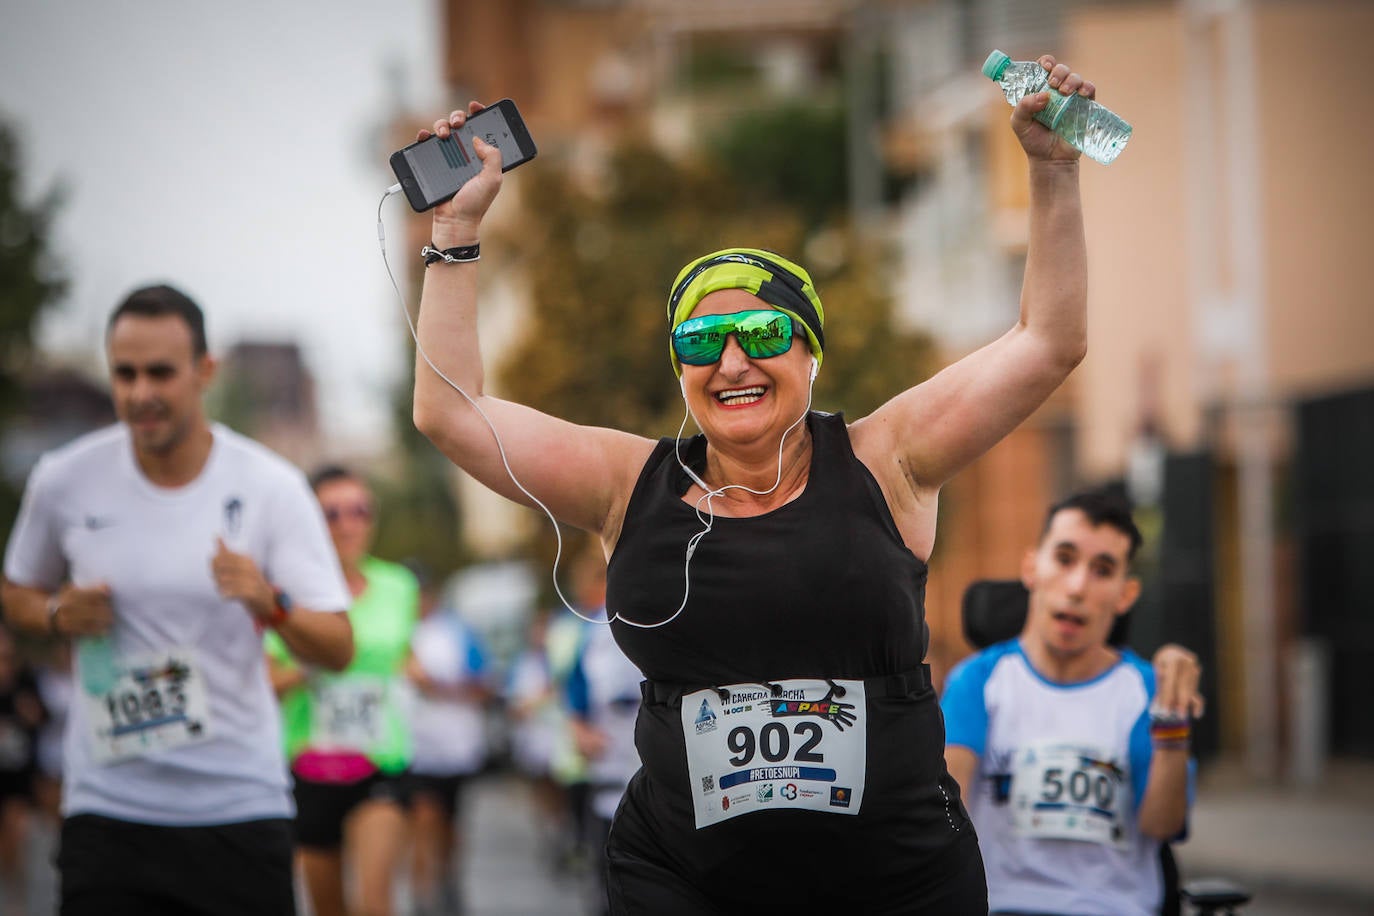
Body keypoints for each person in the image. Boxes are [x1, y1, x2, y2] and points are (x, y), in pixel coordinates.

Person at [411, 52, 1096, 914]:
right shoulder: (627, 484)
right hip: (686, 881)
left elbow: (1047, 344)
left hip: (891, 880)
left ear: (810, 352)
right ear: (680, 370)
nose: (732, 360)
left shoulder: (889, 458)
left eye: (763, 330)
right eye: (701, 343)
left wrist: (1053, 169)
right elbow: (449, 412)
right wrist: (454, 234)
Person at [0, 284, 354, 915]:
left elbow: (337, 646)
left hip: (238, 809)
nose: (141, 394)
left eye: (160, 373)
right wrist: (55, 614)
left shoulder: (270, 486)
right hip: (107, 810)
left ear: (205, 372)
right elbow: (16, 592)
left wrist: (269, 601)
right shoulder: (65, 479)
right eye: (124, 374)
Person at [939, 488, 1204, 916]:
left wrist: (1172, 718)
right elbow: (950, 811)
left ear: (1126, 594)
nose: (1078, 586)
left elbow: (1162, 825)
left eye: (1103, 569)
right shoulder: (979, 681)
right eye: (1064, 559)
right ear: (1031, 567)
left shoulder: (1144, 690)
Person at [265, 465, 419, 916]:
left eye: (359, 511)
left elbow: (400, 660)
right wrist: (317, 663)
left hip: (380, 762)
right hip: (309, 767)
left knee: (374, 905)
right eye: (332, 513)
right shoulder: (287, 595)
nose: (348, 524)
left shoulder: (398, 586)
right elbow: (265, 682)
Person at [403, 565, 491, 916]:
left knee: (450, 826)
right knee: (423, 820)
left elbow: (484, 685)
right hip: (413, 748)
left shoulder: (457, 631)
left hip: (455, 749)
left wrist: (437, 687)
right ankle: (422, 895)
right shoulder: (399, 630)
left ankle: (449, 881)